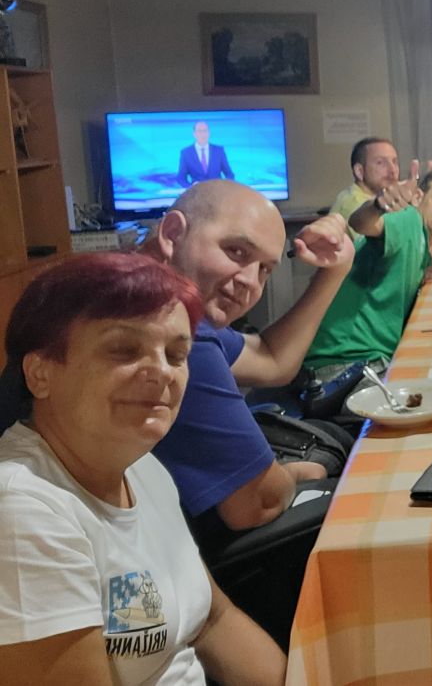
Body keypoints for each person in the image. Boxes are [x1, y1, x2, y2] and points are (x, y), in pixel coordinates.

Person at [0, 252, 286, 683]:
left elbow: (214, 620)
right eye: (123, 350)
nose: (162, 372)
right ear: (39, 374)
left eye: (176, 354)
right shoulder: (23, 514)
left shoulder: (143, 469)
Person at [142, 180, 356, 533]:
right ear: (173, 233)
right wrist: (293, 473)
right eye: (237, 251)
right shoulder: (169, 328)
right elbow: (257, 504)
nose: (250, 282)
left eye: (265, 269)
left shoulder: (166, 297)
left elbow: (272, 360)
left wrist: (335, 269)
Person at [303, 169, 432, 373]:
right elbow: (361, 222)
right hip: (344, 360)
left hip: (363, 356)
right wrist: (378, 205)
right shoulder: (408, 219)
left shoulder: (421, 240)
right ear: (417, 197)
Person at [329, 137, 400, 239]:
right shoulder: (354, 203)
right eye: (380, 163)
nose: (392, 170)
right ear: (359, 171)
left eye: (394, 162)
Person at [177, 120, 234, 186]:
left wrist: (223, 186)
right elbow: (181, 178)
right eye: (199, 131)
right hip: (197, 191)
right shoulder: (186, 153)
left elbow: (229, 174)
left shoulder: (219, 151)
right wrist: (191, 187)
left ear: (209, 133)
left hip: (217, 190)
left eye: (205, 131)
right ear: (194, 134)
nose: (203, 134)